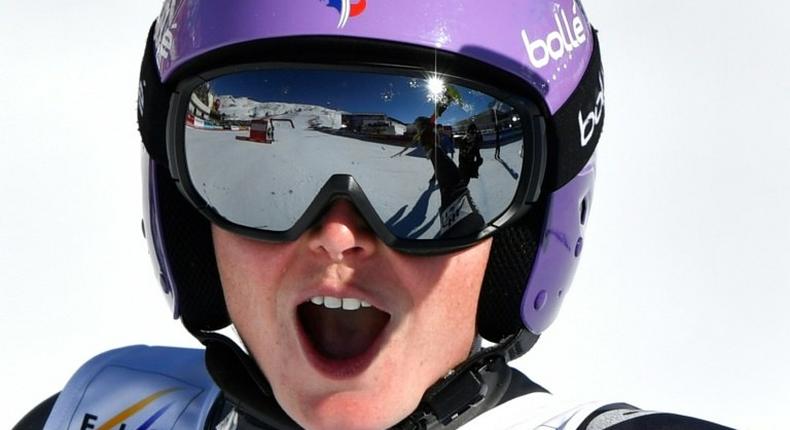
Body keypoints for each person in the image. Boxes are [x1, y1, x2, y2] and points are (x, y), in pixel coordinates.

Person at [15, 1, 734, 429]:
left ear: (526, 228)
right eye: (260, 179)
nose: (335, 234)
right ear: (181, 210)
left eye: (407, 195)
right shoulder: (107, 412)